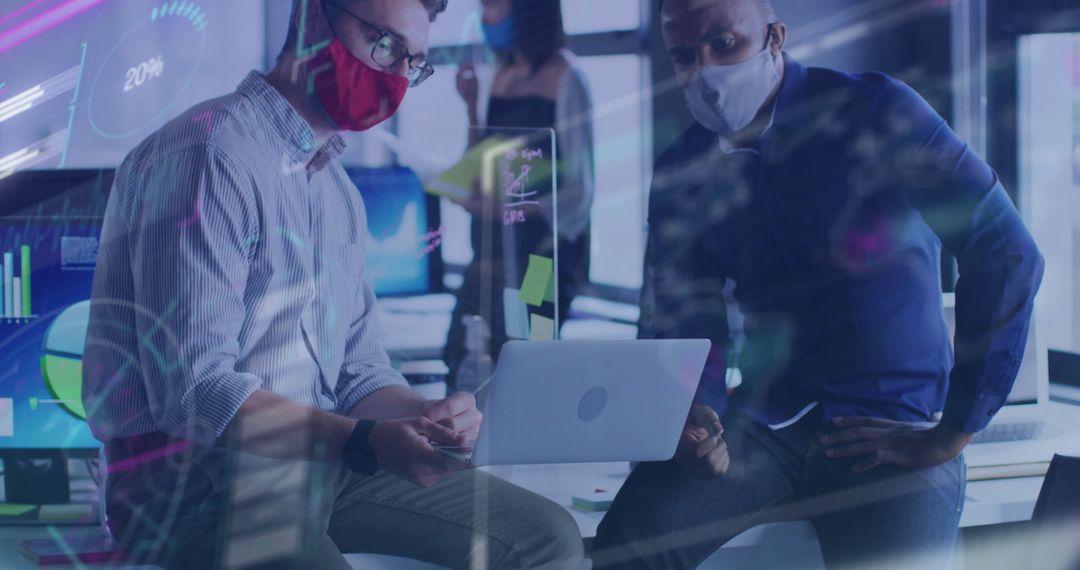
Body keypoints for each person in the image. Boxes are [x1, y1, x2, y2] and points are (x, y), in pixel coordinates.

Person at [83, 0, 583, 568]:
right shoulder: (209, 154)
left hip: (322, 464)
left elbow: (359, 373)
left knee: (547, 536)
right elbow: (194, 393)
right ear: (312, 20)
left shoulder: (337, 193)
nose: (395, 77)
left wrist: (424, 420)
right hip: (193, 484)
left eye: (413, 63)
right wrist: (362, 440)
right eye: (386, 45)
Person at [591, 0, 1044, 568]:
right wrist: (695, 419)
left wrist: (956, 427)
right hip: (759, 425)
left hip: (891, 420)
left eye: (724, 44)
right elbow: (682, 313)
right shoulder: (685, 165)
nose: (704, 70)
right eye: (684, 56)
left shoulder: (877, 109)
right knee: (626, 548)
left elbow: (1006, 250)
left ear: (775, 37)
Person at [443, 0, 595, 390]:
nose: (484, 15)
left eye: (493, 4)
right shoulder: (502, 74)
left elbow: (580, 190)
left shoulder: (567, 77)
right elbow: (478, 169)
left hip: (542, 255)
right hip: (492, 252)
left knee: (527, 357)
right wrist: (470, 105)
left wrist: (511, 208)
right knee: (462, 356)